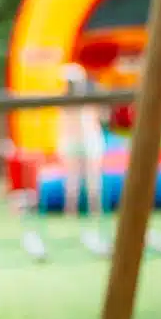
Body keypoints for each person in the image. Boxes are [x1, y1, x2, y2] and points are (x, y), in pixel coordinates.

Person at [57, 63, 108, 253]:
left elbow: (101, 115)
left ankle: (95, 210)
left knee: (93, 178)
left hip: (88, 139)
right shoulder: (65, 100)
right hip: (74, 140)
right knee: (73, 179)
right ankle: (71, 211)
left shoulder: (89, 96)